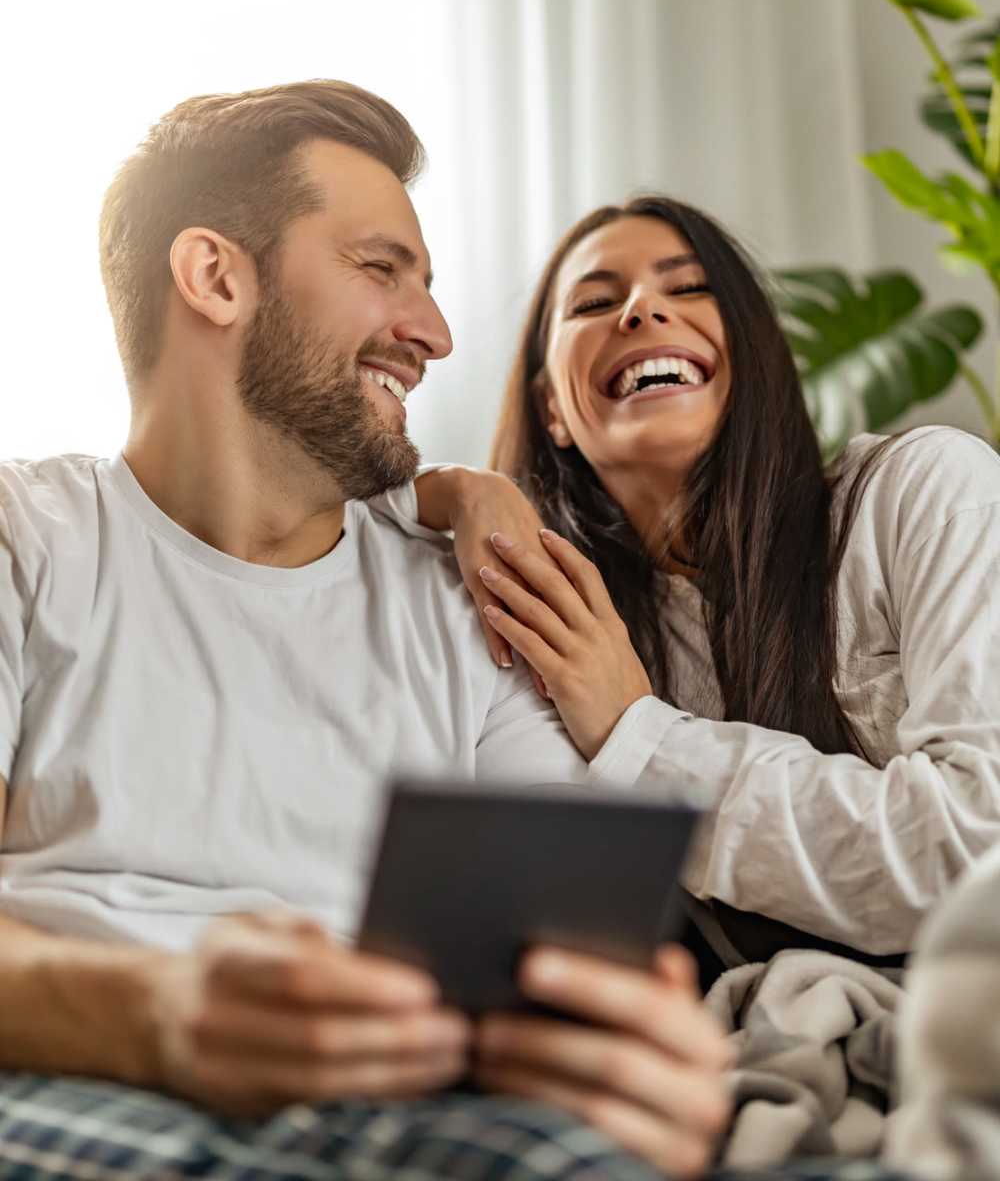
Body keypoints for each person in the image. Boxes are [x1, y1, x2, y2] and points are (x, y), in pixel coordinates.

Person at [0, 86, 731, 1179]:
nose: (434, 334)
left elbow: (567, 958)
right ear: (216, 278)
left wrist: (622, 1054)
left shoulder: (469, 598)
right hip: (82, 1079)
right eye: (382, 269)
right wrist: (160, 1014)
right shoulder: (28, 542)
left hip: (411, 1108)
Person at [378, 194, 1000, 983]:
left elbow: (979, 858)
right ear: (553, 410)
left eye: (689, 287)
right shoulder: (562, 618)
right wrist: (459, 488)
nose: (641, 310)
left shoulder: (924, 491)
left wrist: (637, 735)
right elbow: (298, 504)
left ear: (754, 355)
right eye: (595, 303)